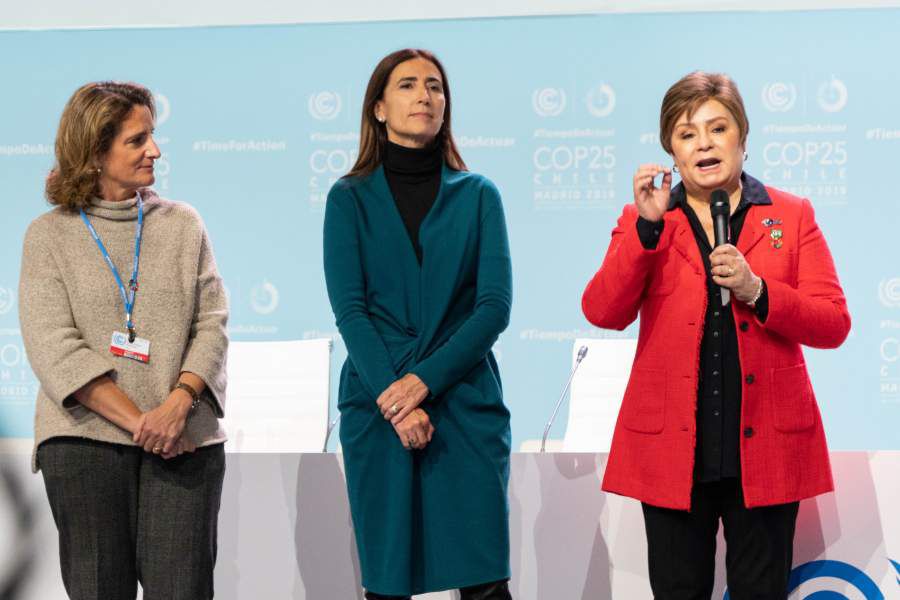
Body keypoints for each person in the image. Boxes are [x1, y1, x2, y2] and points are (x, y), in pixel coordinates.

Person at [581, 71, 850, 599]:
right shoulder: (645, 220)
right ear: (672, 153)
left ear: (742, 139)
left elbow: (833, 321)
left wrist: (759, 289)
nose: (703, 142)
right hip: (674, 451)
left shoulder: (791, 215)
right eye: (686, 133)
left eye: (717, 128)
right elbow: (602, 310)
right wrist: (646, 231)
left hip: (767, 447)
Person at [19, 81, 229, 600]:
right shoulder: (48, 235)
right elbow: (55, 347)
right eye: (137, 140)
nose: (154, 150)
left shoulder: (182, 224)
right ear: (94, 152)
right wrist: (143, 423)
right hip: (84, 441)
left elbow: (212, 323)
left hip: (183, 439)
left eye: (152, 137)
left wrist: (177, 406)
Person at [323, 49, 514, 599]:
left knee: (484, 582)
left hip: (464, 404)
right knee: (387, 584)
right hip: (378, 409)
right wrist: (395, 397)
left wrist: (422, 384)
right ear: (379, 108)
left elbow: (494, 308)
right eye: (408, 85)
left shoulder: (479, 195)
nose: (425, 96)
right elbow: (350, 311)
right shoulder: (348, 198)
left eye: (434, 86)